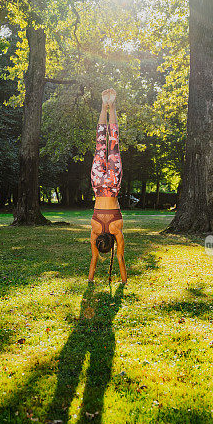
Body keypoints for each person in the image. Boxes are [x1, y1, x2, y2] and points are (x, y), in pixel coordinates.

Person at [88, 89, 127, 284]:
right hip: (98, 184)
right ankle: (105, 106)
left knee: (113, 144)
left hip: (112, 185)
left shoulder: (116, 228)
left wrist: (124, 280)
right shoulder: (94, 229)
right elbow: (94, 258)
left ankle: (112, 106)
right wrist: (90, 278)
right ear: (98, 242)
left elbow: (120, 257)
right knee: (101, 144)